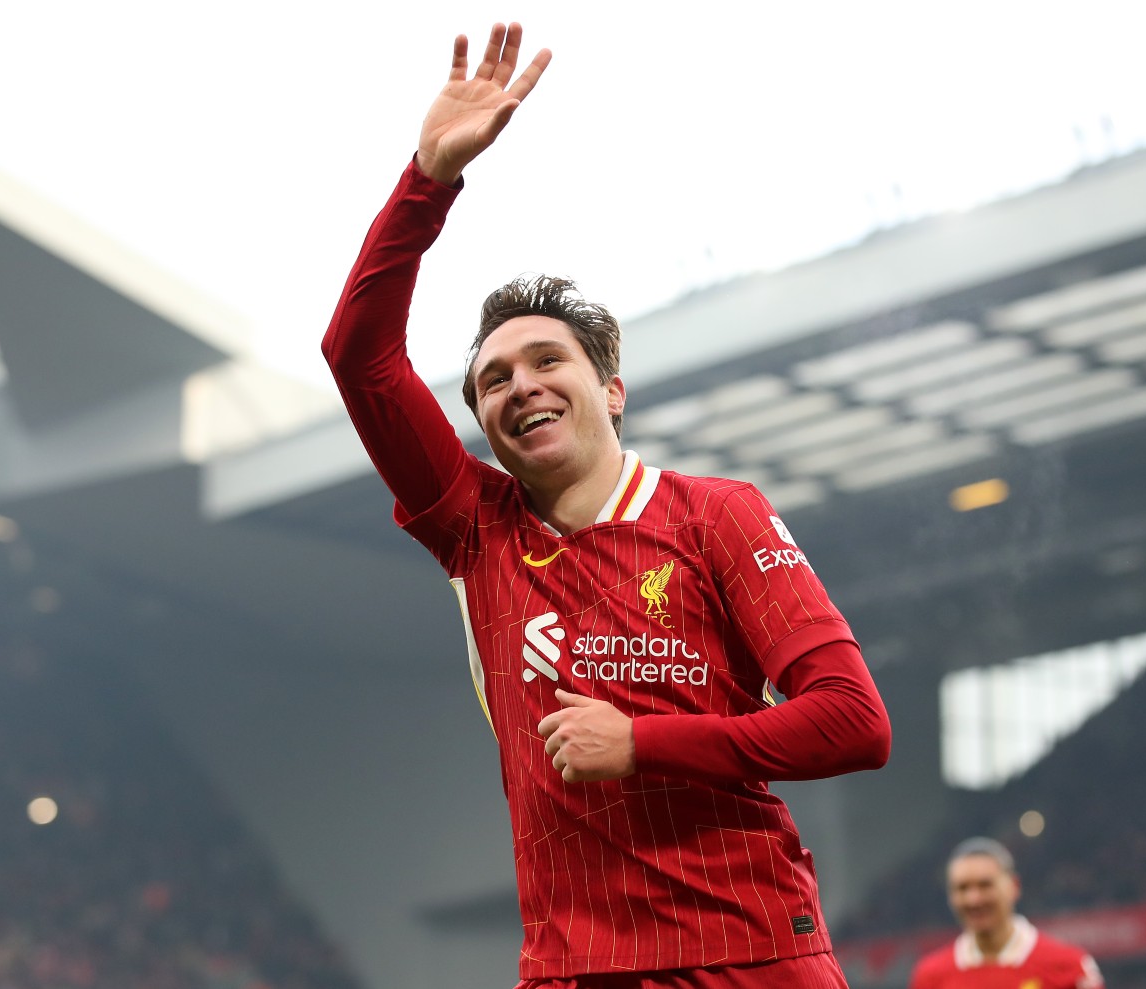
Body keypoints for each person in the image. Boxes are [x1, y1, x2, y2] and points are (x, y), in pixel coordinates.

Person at [322, 22, 891, 989]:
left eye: (550, 360)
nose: (522, 384)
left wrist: (640, 741)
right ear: (484, 421)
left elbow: (852, 723)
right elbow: (358, 354)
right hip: (573, 968)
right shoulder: (476, 527)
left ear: (611, 390)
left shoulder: (716, 514)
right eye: (493, 377)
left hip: (749, 950)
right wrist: (428, 179)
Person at [909, 837, 1104, 989]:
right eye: (962, 888)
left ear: (1014, 887)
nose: (973, 899)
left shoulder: (1068, 966)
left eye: (985, 885)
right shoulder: (930, 976)